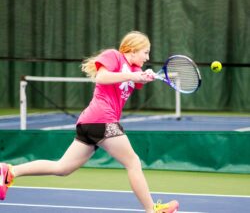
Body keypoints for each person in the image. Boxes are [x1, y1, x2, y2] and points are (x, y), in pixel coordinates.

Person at [0, 31, 179, 213]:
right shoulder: (114, 56)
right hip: (102, 119)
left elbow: (139, 77)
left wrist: (146, 75)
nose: (148, 57)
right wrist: (134, 76)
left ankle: (10, 171)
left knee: (62, 168)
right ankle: (152, 210)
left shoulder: (134, 69)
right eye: (145, 52)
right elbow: (101, 77)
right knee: (133, 162)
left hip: (91, 123)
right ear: (132, 50)